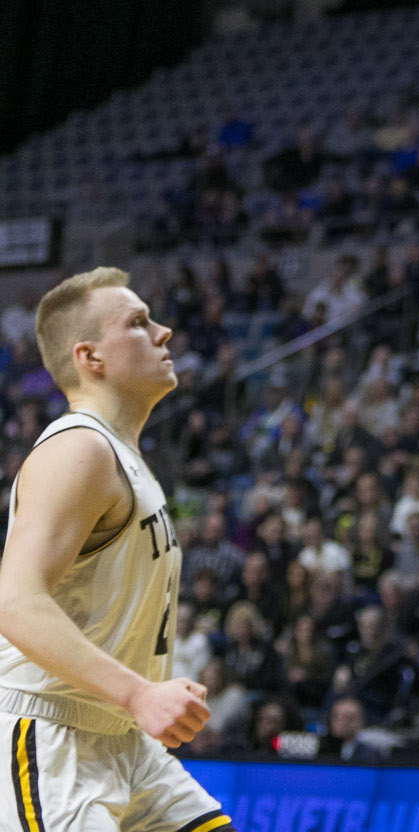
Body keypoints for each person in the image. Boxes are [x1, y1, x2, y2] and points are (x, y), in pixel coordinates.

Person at [0, 269, 229, 832]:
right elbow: (14, 601)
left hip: (122, 738)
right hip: (52, 736)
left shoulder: (122, 455)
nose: (164, 331)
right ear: (90, 357)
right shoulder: (78, 449)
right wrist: (139, 693)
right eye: (138, 323)